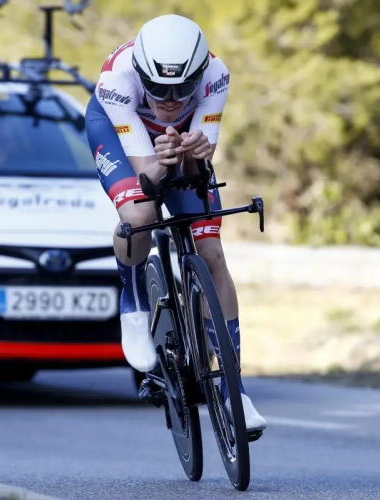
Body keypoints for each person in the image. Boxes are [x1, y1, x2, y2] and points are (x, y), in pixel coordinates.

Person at [85, 14, 266, 433]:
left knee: (212, 250)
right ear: (142, 73)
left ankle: (233, 389)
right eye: (159, 87)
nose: (169, 98)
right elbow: (148, 178)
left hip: (181, 139)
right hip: (119, 132)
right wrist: (162, 162)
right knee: (140, 214)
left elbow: (197, 168)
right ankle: (133, 302)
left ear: (200, 75)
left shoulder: (216, 77)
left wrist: (192, 154)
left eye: (182, 88)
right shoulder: (117, 81)